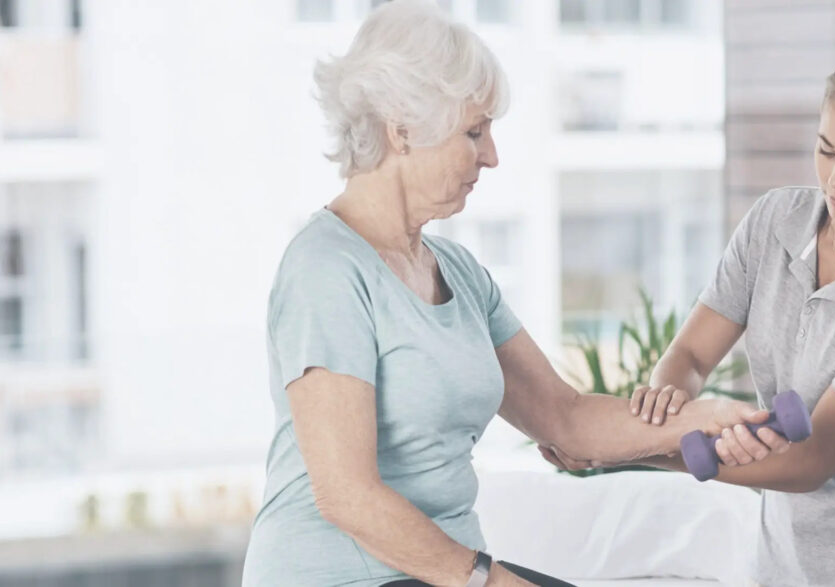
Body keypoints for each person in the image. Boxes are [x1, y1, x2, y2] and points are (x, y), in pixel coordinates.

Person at [240, 2, 777, 586]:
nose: (492, 156)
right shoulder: (325, 269)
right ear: (402, 129)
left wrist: (707, 419)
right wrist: (487, 581)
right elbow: (347, 496)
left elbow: (566, 420)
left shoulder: (458, 271)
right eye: (474, 132)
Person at [544, 46, 835, 586]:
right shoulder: (775, 221)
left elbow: (809, 462)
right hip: (781, 565)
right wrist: (672, 408)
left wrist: (623, 447)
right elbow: (691, 355)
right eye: (826, 150)